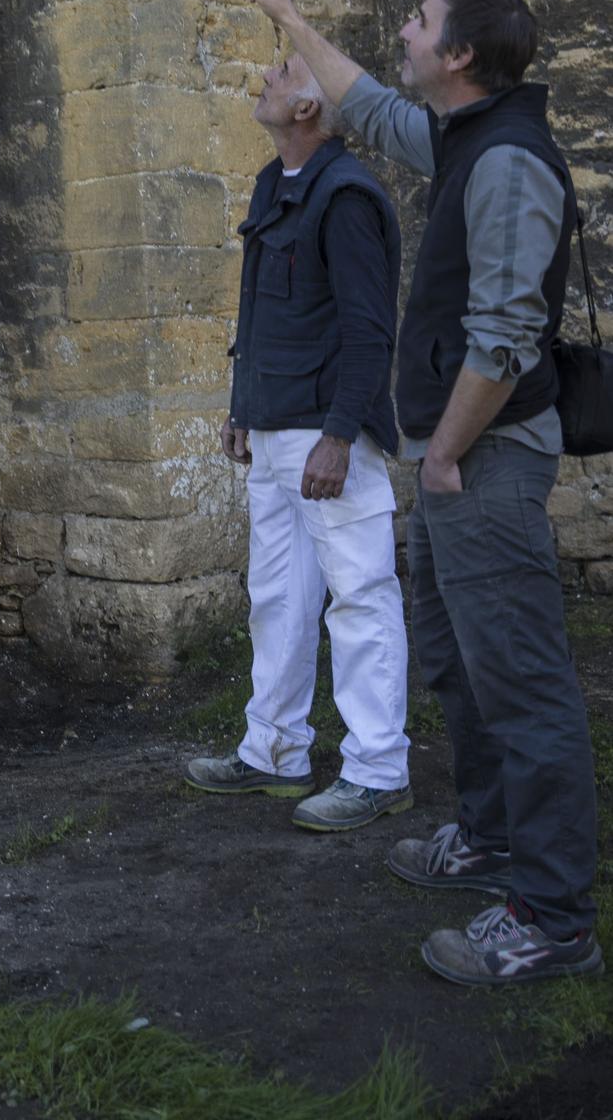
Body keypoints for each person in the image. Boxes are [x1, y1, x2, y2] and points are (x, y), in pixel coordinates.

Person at [235, 0, 602, 986]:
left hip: (480, 459)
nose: (403, 29)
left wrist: (439, 451)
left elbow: (502, 335)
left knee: (522, 683)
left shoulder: (510, 163)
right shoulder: (463, 134)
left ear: (462, 53)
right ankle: (487, 838)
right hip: (453, 460)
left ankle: (552, 914)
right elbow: (368, 103)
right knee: (462, 661)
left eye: (417, 18)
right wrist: (289, 14)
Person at [185, 52, 411, 833]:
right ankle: (273, 751)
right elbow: (258, 310)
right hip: (273, 428)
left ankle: (378, 768)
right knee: (276, 599)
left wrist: (341, 435)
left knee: (359, 595)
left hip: (325, 436)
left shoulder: (347, 197)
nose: (265, 77)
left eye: (282, 74)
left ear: (309, 109)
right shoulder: (269, 185)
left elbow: (368, 328)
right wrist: (240, 405)